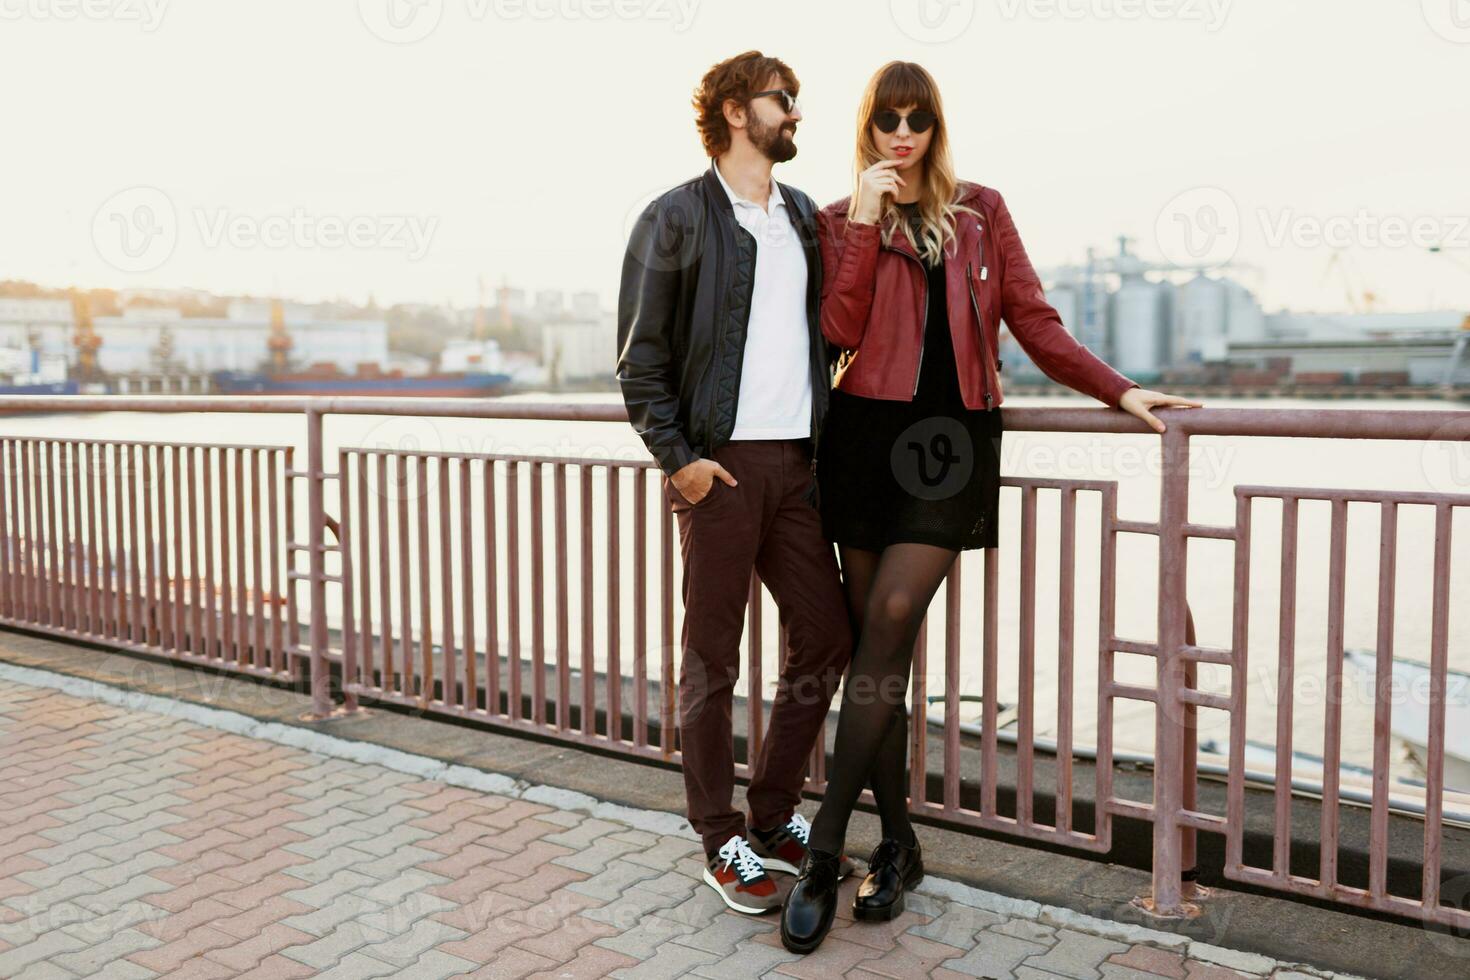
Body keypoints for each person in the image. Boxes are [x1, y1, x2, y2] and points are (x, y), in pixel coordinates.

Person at [778, 61, 1203, 954]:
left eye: (918, 119)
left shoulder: (982, 210)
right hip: (861, 442)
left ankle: (823, 852)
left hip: (948, 445)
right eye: (887, 119)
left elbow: (1033, 321)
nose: (903, 133)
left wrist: (1119, 391)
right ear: (867, 126)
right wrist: (861, 220)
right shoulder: (835, 217)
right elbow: (840, 331)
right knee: (874, 657)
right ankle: (895, 849)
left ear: (936, 126)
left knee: (891, 618)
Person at [615, 50, 859, 915]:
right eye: (780, 99)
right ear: (731, 112)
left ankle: (771, 812)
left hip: (798, 466)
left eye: (794, 100)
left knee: (826, 635)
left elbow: (834, 331)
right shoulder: (675, 218)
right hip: (720, 468)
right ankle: (720, 838)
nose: (795, 112)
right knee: (712, 658)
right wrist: (680, 464)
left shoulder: (803, 216)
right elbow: (640, 363)